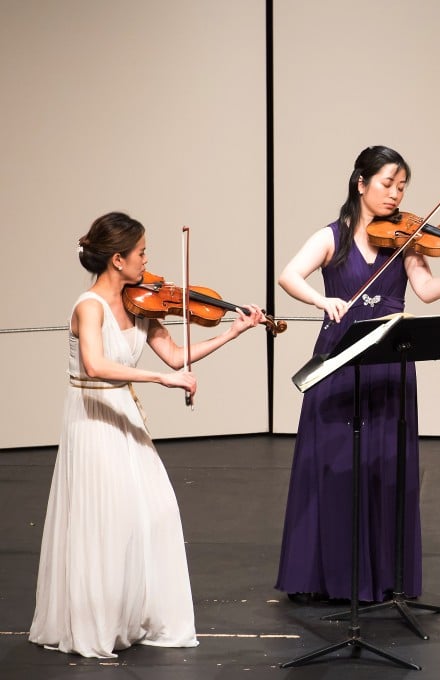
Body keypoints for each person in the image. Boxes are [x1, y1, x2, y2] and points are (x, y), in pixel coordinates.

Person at [29, 212, 266, 658]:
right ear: (117, 259)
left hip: (124, 415)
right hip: (93, 418)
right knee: (104, 520)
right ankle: (96, 623)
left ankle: (135, 616)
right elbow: (97, 366)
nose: (147, 263)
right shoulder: (88, 306)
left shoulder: (141, 304)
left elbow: (177, 358)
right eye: (141, 254)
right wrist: (159, 381)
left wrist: (233, 332)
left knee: (153, 512)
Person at [275, 145, 440, 603]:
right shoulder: (332, 236)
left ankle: (381, 576)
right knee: (332, 467)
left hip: (389, 365)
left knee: (382, 469)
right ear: (361, 183)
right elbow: (289, 275)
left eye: (402, 187)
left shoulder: (405, 240)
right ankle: (324, 576)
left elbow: (426, 292)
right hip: (338, 363)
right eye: (388, 184)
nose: (396, 195)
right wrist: (321, 301)